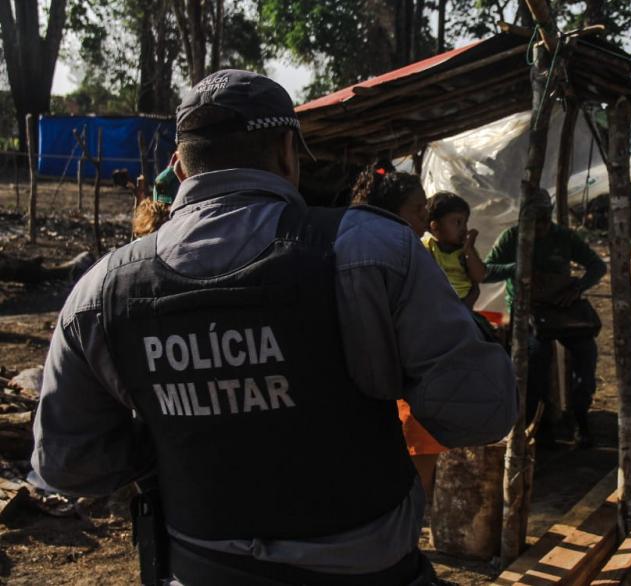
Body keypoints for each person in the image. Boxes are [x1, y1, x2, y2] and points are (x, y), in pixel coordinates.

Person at [31, 69, 517, 585]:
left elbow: (66, 465)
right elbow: (482, 413)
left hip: (197, 568)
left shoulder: (101, 292)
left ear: (179, 165)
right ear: (288, 153)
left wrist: (181, 434)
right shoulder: (371, 253)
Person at [350, 166, 446, 501]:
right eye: (417, 210)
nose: (424, 218)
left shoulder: (359, 249)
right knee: (412, 489)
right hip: (404, 392)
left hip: (388, 392)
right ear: (391, 213)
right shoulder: (401, 257)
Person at [484, 189, 607, 448]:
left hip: (561, 310)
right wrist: (517, 268)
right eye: (534, 221)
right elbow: (486, 271)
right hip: (526, 311)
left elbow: (598, 266)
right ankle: (540, 426)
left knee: (586, 355)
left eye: (544, 220)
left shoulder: (563, 237)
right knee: (535, 360)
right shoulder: (512, 238)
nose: (540, 227)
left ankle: (580, 419)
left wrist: (577, 288)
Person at [423, 192, 486, 310]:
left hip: (463, 304)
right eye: (458, 222)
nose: (464, 228)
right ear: (435, 227)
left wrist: (469, 249)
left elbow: (479, 277)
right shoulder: (426, 247)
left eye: (465, 223)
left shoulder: (465, 251)